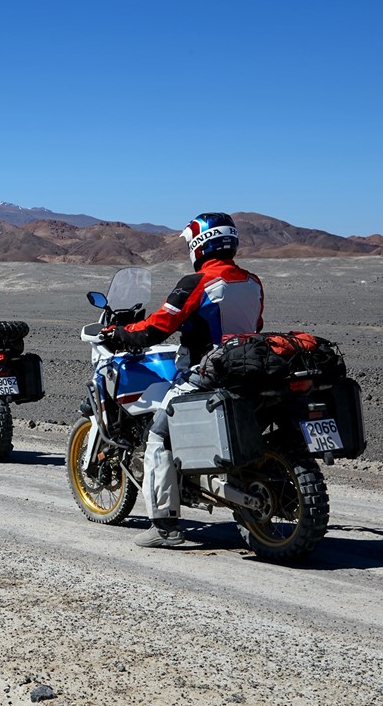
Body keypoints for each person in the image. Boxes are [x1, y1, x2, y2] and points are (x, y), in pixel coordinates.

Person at [100, 213, 264, 548]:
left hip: (210, 373)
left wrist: (119, 333)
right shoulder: (252, 281)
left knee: (159, 435)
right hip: (252, 370)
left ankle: (165, 526)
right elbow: (256, 325)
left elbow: (156, 328)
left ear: (200, 245)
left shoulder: (197, 283)